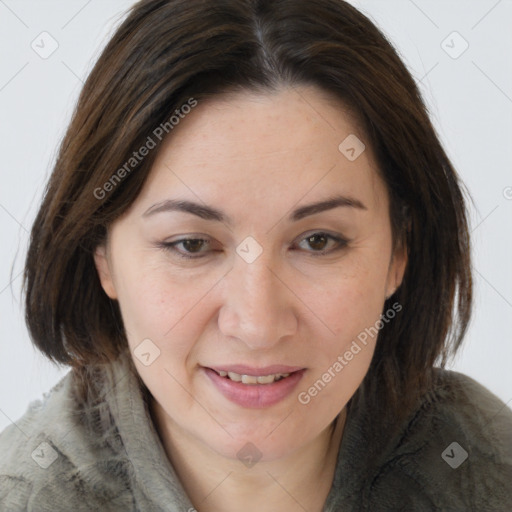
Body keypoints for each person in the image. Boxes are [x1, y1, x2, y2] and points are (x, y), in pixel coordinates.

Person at [1, 0, 511, 510]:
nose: (257, 325)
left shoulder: (488, 471)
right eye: (192, 244)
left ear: (400, 251)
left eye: (318, 241)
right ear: (103, 257)